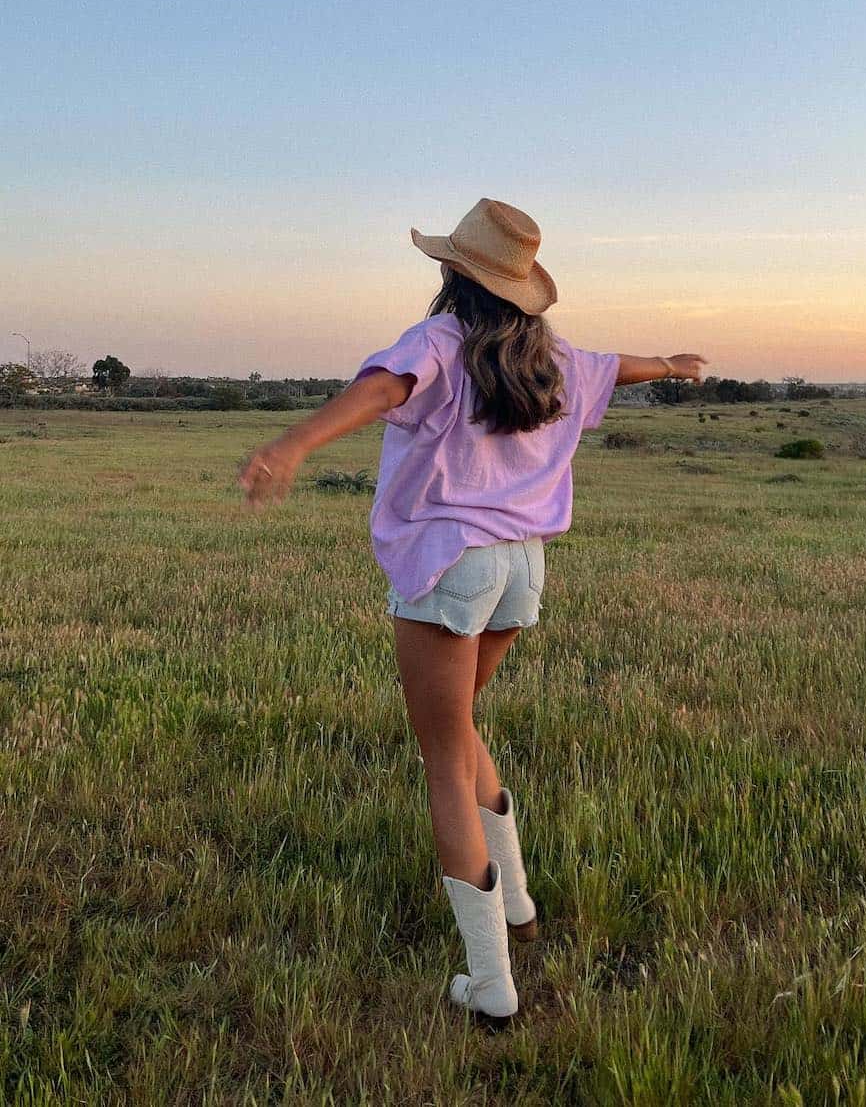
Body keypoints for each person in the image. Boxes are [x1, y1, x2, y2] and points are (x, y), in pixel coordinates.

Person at [238, 198, 707, 1029]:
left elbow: (383, 388)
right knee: (462, 727)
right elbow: (613, 364)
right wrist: (669, 363)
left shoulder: (441, 343)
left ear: (453, 273)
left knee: (443, 757)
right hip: (521, 567)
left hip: (451, 562)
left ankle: (490, 984)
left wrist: (294, 444)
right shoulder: (549, 358)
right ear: (521, 287)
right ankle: (519, 908)